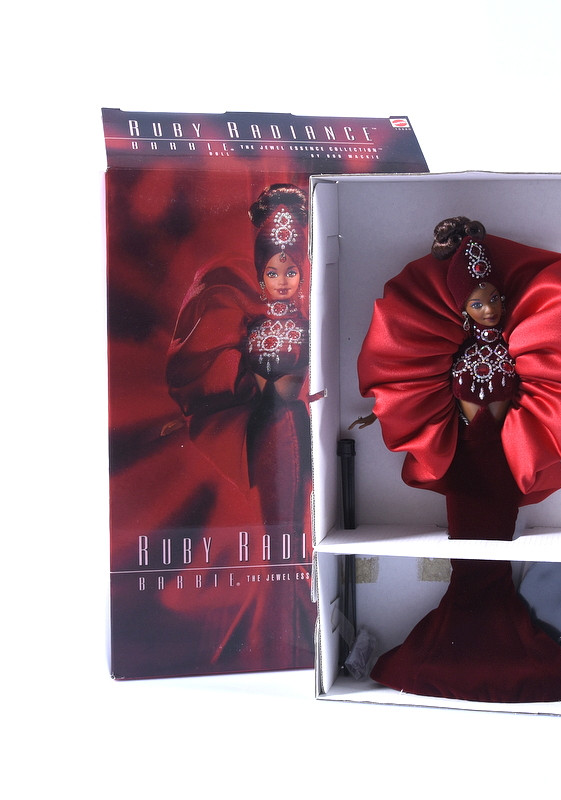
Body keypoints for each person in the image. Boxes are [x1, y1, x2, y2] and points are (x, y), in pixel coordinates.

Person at [353, 217, 561, 702]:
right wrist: (378, 410)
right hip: (463, 460)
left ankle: (482, 641)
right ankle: (463, 642)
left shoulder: (514, 348)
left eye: (493, 299)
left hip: (503, 461)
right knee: (467, 557)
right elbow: (411, 384)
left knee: (494, 555)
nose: (489, 309)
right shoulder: (454, 350)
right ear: (461, 309)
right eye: (477, 303)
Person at [165, 183, 315, 667]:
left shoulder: (309, 320)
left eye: (291, 271)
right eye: (273, 272)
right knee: (276, 530)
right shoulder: (248, 322)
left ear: (302, 271)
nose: (283, 280)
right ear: (259, 275)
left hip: (297, 428)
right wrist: (209, 405)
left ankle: (295, 621)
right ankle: (281, 627)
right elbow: (230, 375)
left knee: (295, 523)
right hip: (265, 429)